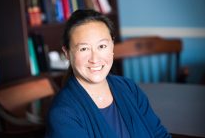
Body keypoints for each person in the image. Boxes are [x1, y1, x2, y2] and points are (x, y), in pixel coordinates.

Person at [45, 9, 171, 138]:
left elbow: (159, 134)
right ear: (67, 53)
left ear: (112, 46)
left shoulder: (129, 88)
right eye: (84, 48)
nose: (95, 59)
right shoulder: (63, 115)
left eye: (102, 46)